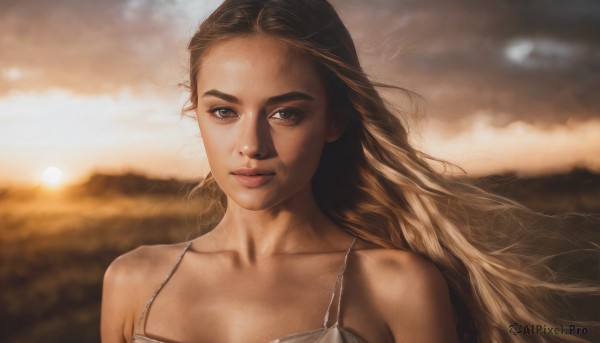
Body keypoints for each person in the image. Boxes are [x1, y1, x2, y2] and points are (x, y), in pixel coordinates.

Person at [101, 1, 598, 342]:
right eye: (224, 112)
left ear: (335, 118)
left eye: (285, 113)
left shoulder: (397, 286)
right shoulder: (132, 281)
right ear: (196, 111)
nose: (250, 145)